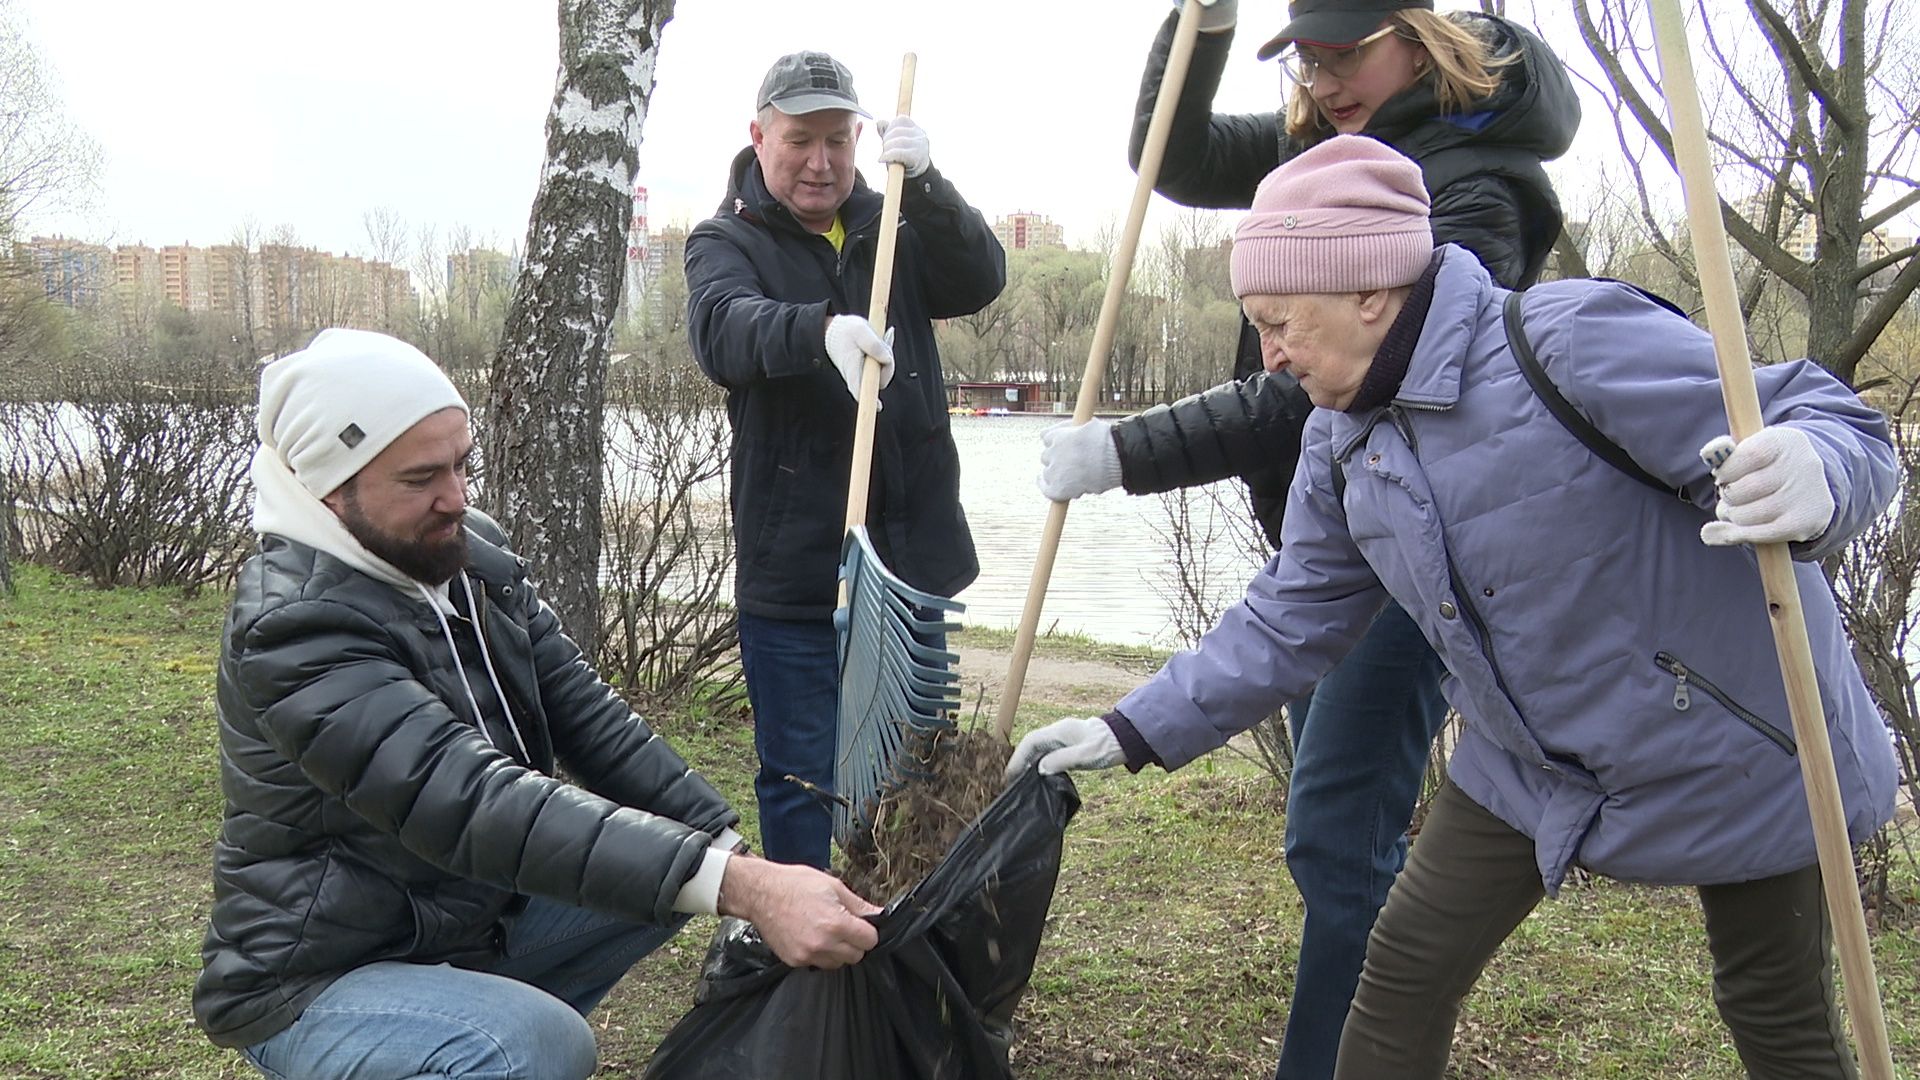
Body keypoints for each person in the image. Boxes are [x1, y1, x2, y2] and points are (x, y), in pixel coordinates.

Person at [1012, 136, 1898, 1079]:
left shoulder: (1569, 341)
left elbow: (1832, 421)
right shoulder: (1339, 441)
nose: (1269, 356)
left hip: (1746, 738)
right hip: (1527, 764)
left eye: (1279, 322)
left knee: (1772, 1006)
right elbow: (1290, 616)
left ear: (1368, 292)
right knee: (1400, 975)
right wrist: (1129, 727)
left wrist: (1816, 474)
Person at [1035, 2, 1579, 1075]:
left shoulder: (1470, 184)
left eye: (1345, 54)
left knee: (1336, 830)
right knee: (1333, 833)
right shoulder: (1329, 147)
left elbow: (1330, 396)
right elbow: (1171, 155)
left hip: (1409, 559)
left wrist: (1133, 452)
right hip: (1334, 543)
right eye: (1307, 57)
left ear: (1417, 40)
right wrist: (1203, 28)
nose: (1324, 79)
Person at [193, 329, 882, 1080]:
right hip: (320, 972)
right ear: (329, 487)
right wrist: (747, 887)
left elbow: (591, 719)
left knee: (674, 870)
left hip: (463, 923)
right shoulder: (292, 626)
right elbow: (467, 801)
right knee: (532, 1044)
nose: (456, 498)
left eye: (463, 463)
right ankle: (446, 1046)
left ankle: (451, 1040)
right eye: (422, 476)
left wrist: (743, 866)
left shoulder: (468, 558)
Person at [684, 51, 1006, 868]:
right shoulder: (726, 240)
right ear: (760, 137)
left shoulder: (896, 215)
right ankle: (804, 952)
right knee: (800, 775)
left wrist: (929, 183)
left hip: (911, 562)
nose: (820, 161)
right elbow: (724, 330)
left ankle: (894, 931)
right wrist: (818, 331)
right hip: (797, 569)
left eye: (837, 139)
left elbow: (982, 276)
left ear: (860, 137)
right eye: (799, 140)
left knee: (911, 768)